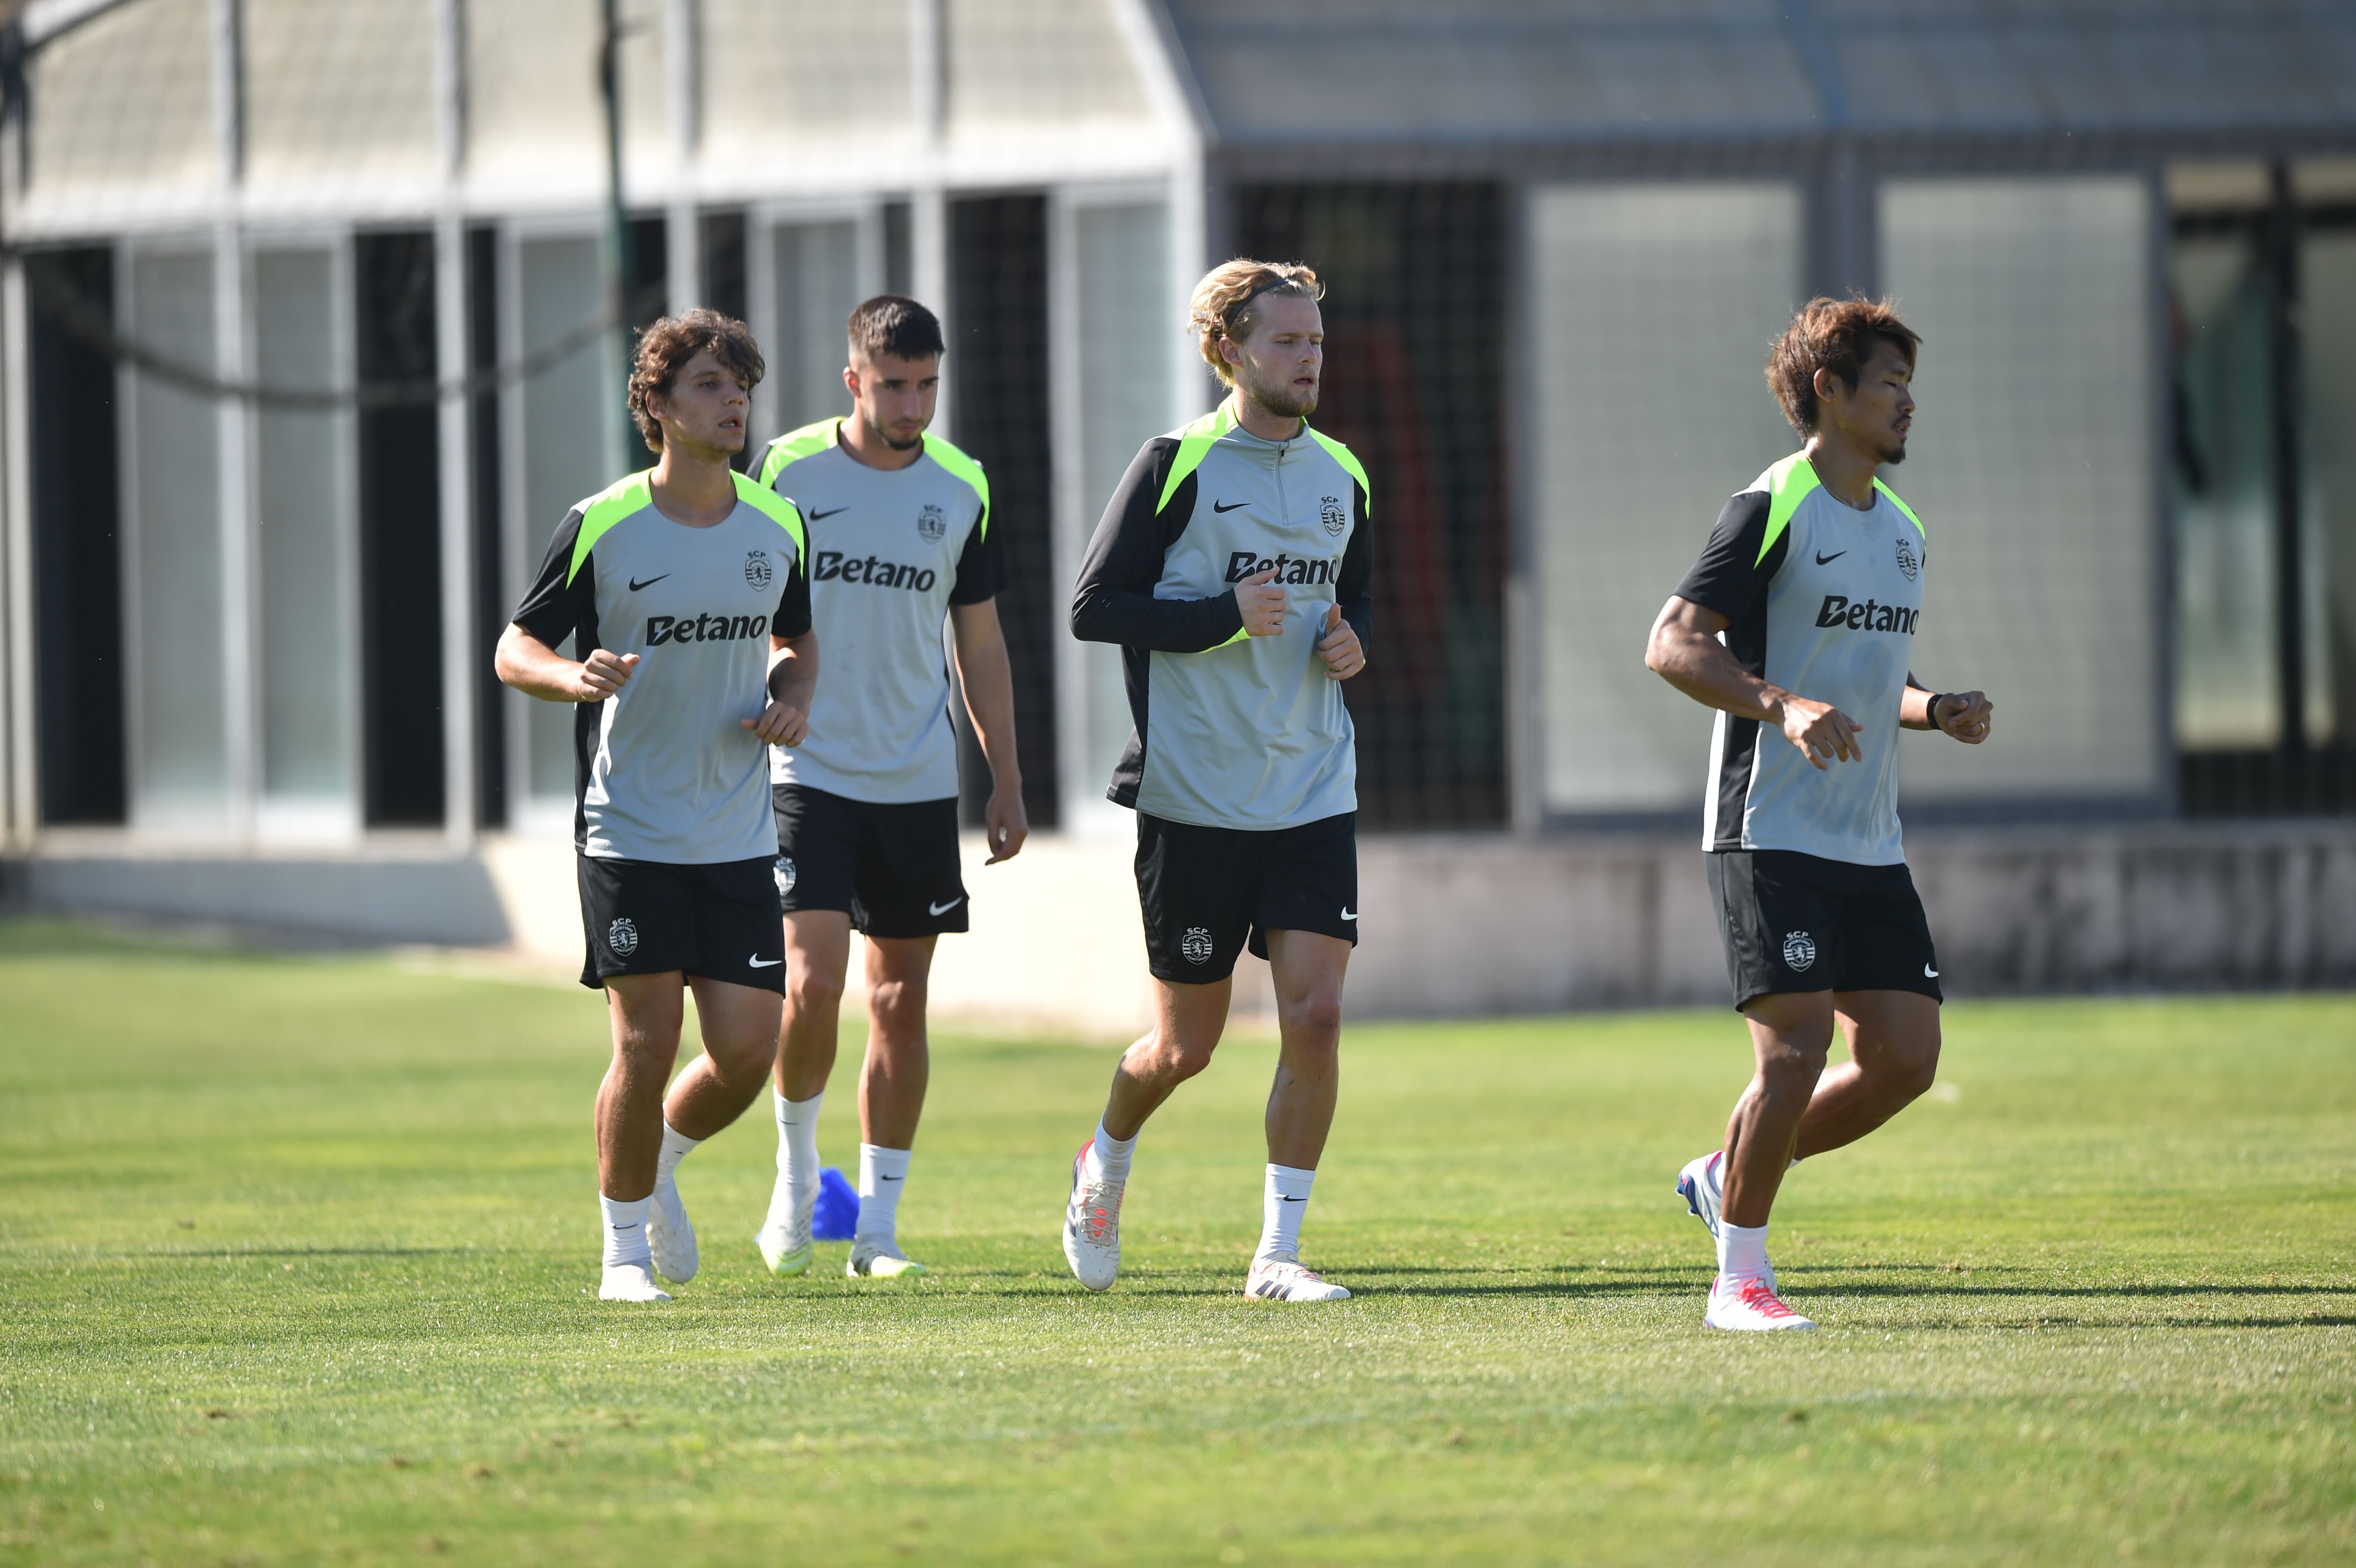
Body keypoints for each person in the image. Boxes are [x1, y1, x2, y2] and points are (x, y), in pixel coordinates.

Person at [1643, 296, 1995, 1331]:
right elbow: (1673, 643)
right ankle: (1738, 1282)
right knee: (1792, 1051)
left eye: (1907, 383)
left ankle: (1723, 1173)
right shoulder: (1769, 506)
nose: (1906, 401)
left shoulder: (1903, 531)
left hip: (1866, 838)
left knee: (1904, 1061)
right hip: (1767, 829)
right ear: (1827, 393)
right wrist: (1777, 702)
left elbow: (1872, 673)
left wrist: (1936, 707)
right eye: (1887, 382)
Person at [1062, 259, 1372, 1303]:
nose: (1308, 359)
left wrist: (1347, 645)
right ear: (1227, 349)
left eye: (1316, 342)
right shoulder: (1173, 463)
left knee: (1316, 1016)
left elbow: (1354, 611)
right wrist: (1216, 617)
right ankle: (1102, 1157)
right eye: (1286, 342)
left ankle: (1276, 1252)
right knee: (1183, 1047)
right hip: (1193, 799)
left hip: (1312, 789)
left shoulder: (1345, 476)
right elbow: (1094, 607)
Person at [495, 310, 816, 1303]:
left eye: (741, 387)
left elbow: (796, 643)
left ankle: (660, 1165)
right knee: (645, 1040)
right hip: (628, 825)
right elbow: (515, 648)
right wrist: (574, 677)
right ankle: (622, 1255)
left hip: (735, 829)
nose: (735, 404)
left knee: (750, 1050)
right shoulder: (602, 522)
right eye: (713, 386)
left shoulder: (778, 523)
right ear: (659, 406)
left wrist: (794, 695)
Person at [751, 295, 1026, 1282]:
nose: (914, 404)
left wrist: (1004, 775)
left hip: (915, 778)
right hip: (808, 767)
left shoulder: (963, 486)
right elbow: (748, 597)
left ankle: (878, 1230)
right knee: (814, 979)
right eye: (895, 384)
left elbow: (980, 640)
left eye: (928, 384)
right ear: (853, 379)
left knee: (900, 998)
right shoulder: (784, 469)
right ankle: (793, 1178)